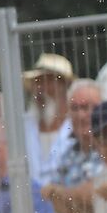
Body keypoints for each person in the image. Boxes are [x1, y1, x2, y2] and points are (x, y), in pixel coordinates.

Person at [20, 53, 77, 186]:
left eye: (48, 81)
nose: (40, 89)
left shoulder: (78, 126)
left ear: (64, 86)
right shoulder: (23, 127)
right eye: (38, 82)